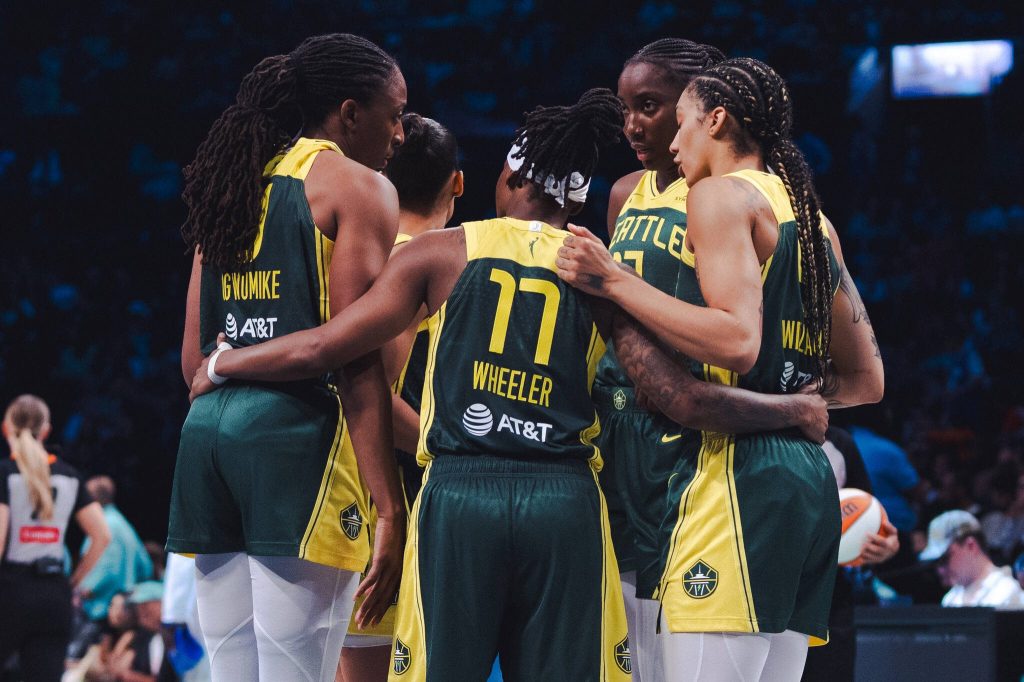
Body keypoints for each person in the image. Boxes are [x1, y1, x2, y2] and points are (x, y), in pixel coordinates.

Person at [188, 87, 828, 681]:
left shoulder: (438, 253)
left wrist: (227, 362)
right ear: (575, 200)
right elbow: (677, 396)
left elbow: (333, 347)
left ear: (511, 177)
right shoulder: (599, 272)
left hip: (460, 495)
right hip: (566, 501)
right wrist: (791, 408)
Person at [557, 57, 885, 680]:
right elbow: (867, 381)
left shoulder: (715, 195)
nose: (674, 144)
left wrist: (614, 282)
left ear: (715, 120)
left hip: (733, 477)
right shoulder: (812, 217)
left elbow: (737, 341)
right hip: (802, 479)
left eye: (681, 123)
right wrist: (788, 402)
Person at [168, 33, 408, 682]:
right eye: (395, 115)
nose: (400, 134)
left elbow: (194, 360)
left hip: (206, 440)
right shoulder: (358, 187)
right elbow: (355, 357)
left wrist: (232, 362)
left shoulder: (231, 181)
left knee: (231, 672)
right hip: (298, 444)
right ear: (350, 113)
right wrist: (389, 507)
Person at [595, 38, 724, 682]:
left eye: (648, 106)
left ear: (694, 106)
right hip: (614, 425)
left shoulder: (722, 196)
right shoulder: (624, 193)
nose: (632, 125)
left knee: (677, 629)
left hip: (683, 428)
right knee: (625, 637)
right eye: (626, 109)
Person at [338, 112, 462, 682]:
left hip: (358, 492)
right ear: (457, 183)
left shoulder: (361, 254)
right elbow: (372, 395)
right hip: (392, 501)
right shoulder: (421, 263)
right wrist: (454, 448)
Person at [0, 394, 111, 682]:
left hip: (10, 592)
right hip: (53, 595)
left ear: (6, 428)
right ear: (46, 431)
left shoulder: (5, 474)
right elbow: (102, 535)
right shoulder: (70, 476)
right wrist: (73, 580)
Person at [802, 426, 898, 682]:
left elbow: (870, 520)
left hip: (829, 602)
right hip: (763, 596)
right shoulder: (754, 434)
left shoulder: (840, 443)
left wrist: (883, 546)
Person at [78, 476, 154, 625]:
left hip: (103, 611)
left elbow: (109, 568)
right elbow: (146, 566)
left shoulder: (103, 527)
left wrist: (85, 590)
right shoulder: (122, 523)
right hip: (124, 609)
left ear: (91, 500)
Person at [920, 510, 1024, 609]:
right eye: (937, 562)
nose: (941, 570)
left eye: (945, 558)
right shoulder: (950, 600)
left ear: (971, 546)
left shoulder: (1007, 593)